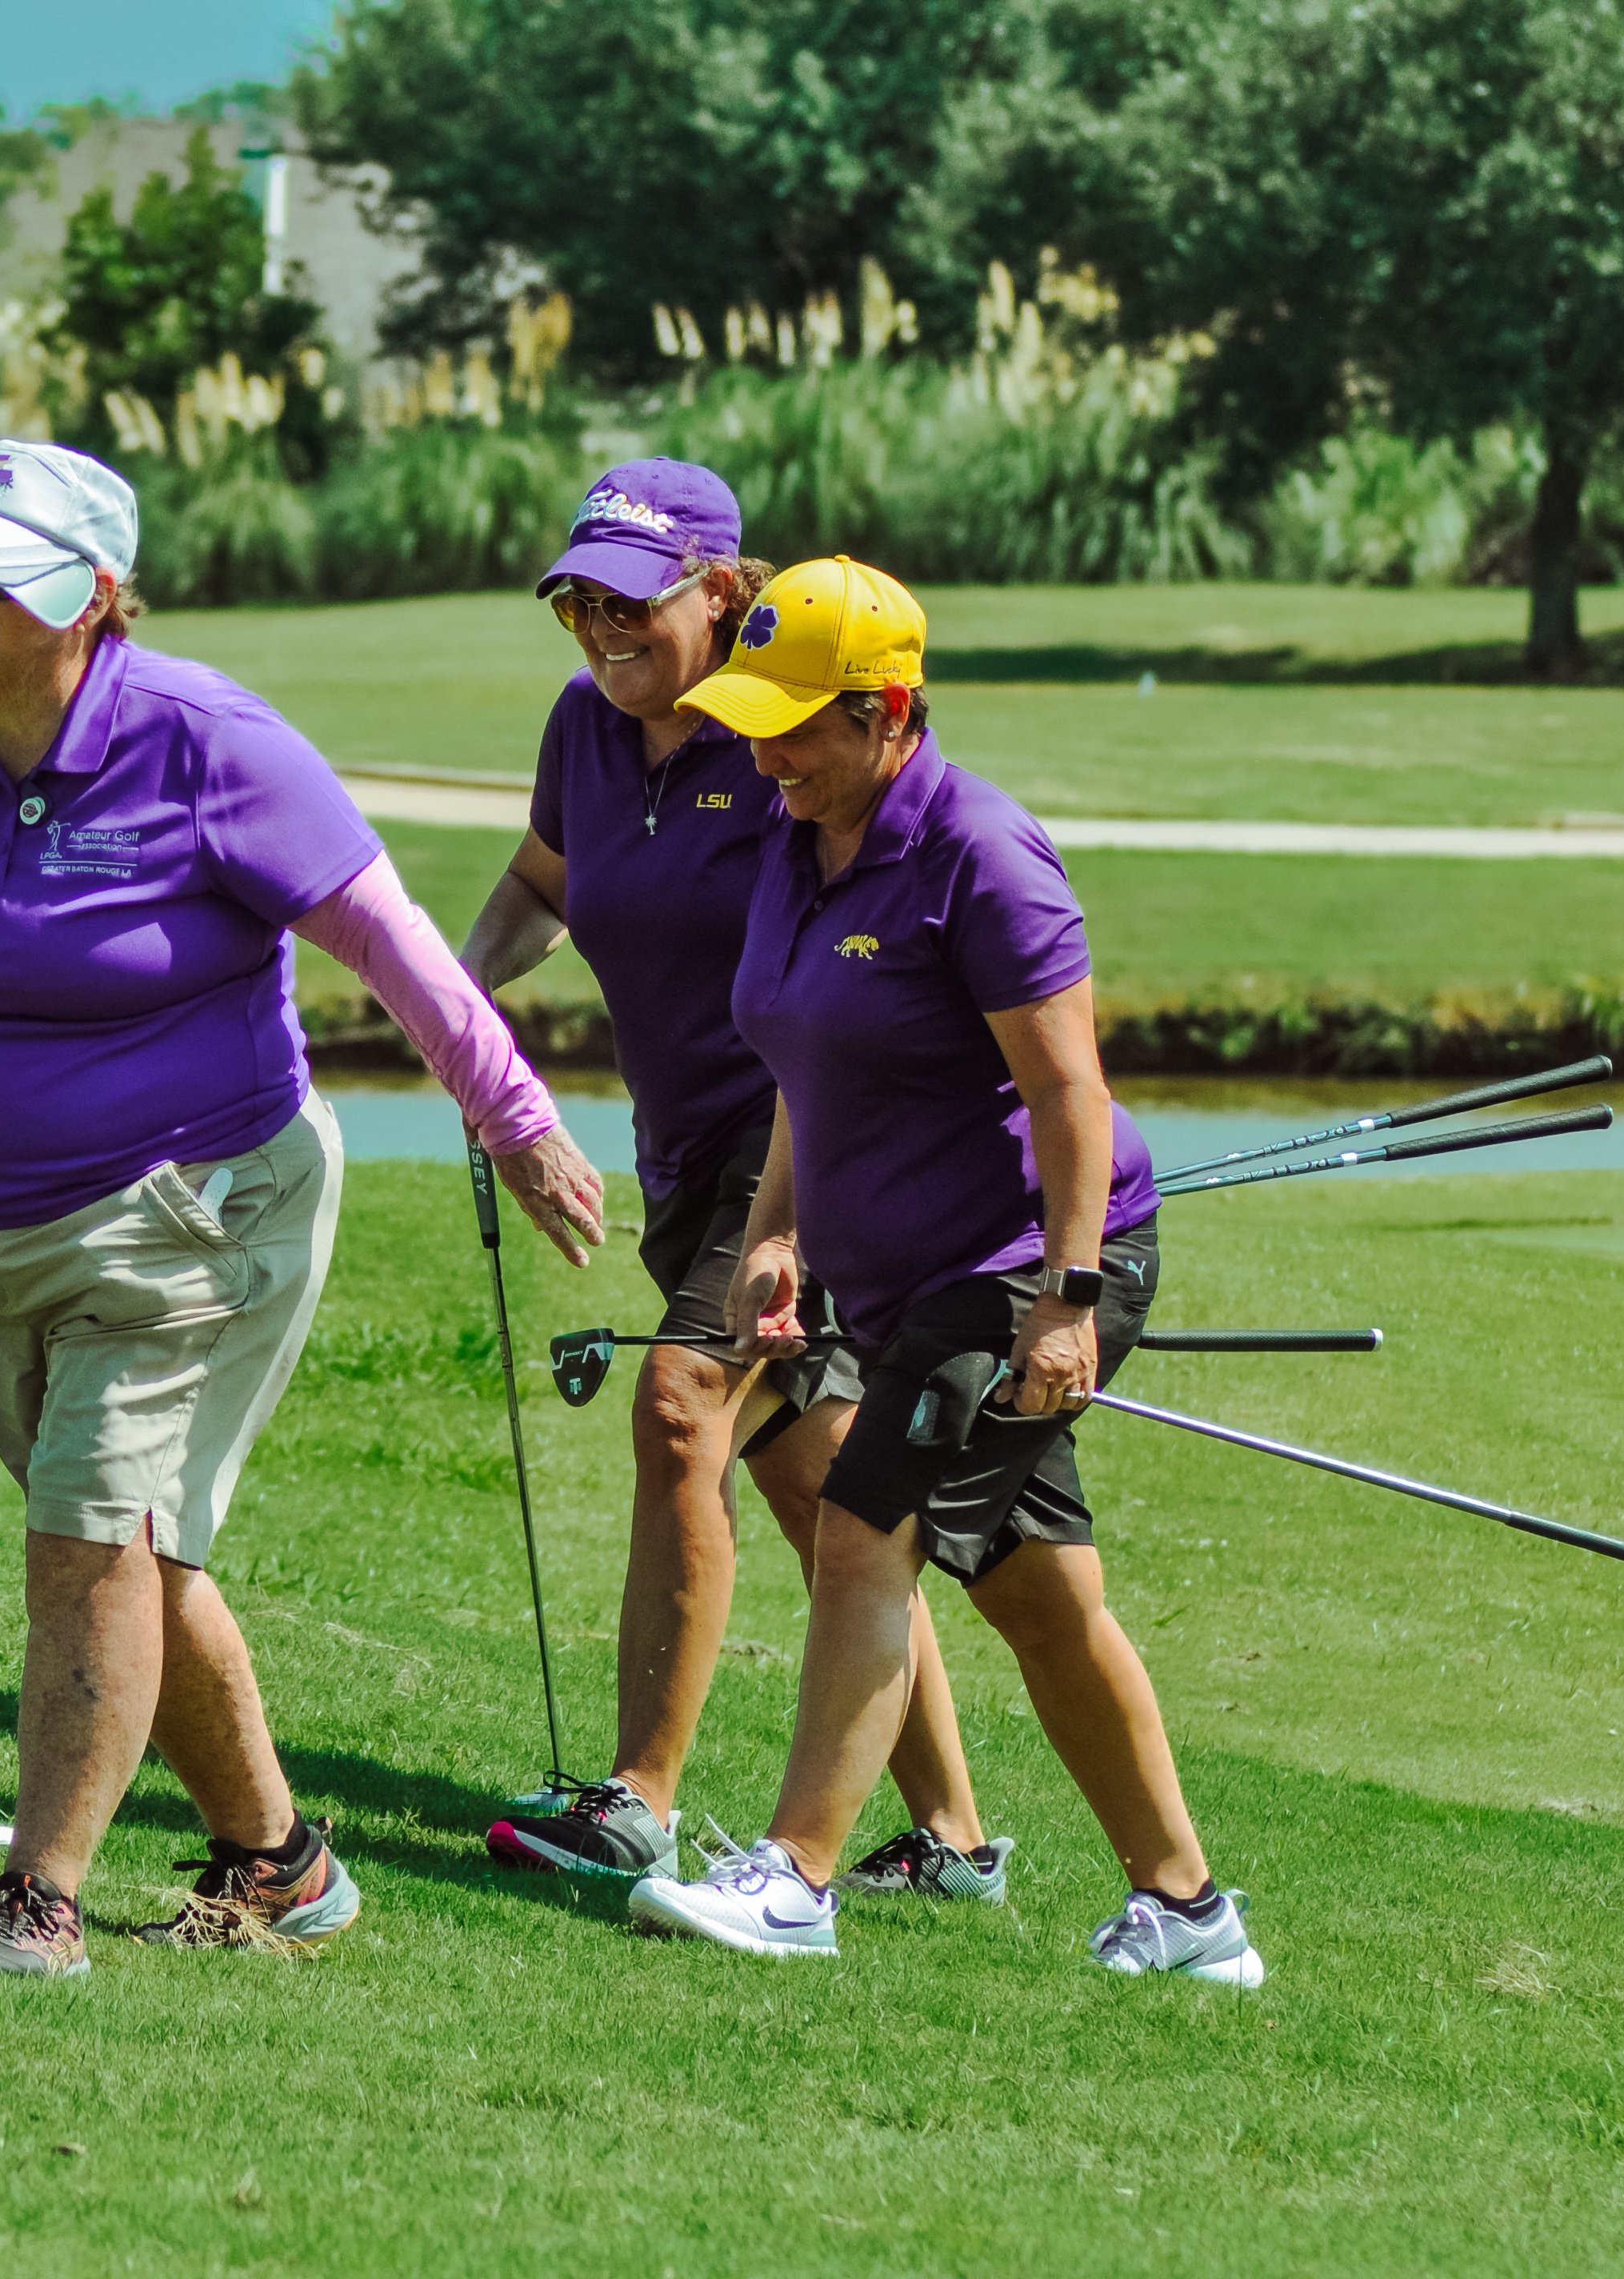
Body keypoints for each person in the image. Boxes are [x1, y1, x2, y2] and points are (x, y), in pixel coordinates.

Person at [0, 441, 608, 1977]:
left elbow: (388, 943)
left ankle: (39, 1902)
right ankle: (280, 1861)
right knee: (134, 1554)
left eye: (0, 574)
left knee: (91, 1542)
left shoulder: (210, 743)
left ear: (98, 598)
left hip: (198, 1210)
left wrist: (514, 1116)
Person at [626, 556, 1264, 1985]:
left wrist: (1073, 1301)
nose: (764, 750)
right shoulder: (801, 843)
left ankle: (795, 1879)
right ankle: (1190, 1911)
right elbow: (799, 1064)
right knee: (1039, 1594)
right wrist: (779, 1232)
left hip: (1028, 1265)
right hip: (913, 1278)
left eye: (795, 723)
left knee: (863, 1534)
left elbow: (1069, 1097)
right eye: (756, 717)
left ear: (890, 711)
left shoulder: (981, 852)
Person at [461, 465, 1001, 1902]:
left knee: (680, 1407)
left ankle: (639, 1799)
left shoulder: (778, 746)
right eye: (577, 598)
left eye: (630, 600)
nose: (598, 626)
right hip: (685, 1155)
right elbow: (542, 887)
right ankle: (952, 1841)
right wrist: (455, 999)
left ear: (720, 591)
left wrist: (800, 1215)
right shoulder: (587, 728)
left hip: (804, 1148)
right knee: (834, 1489)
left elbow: (848, 972)